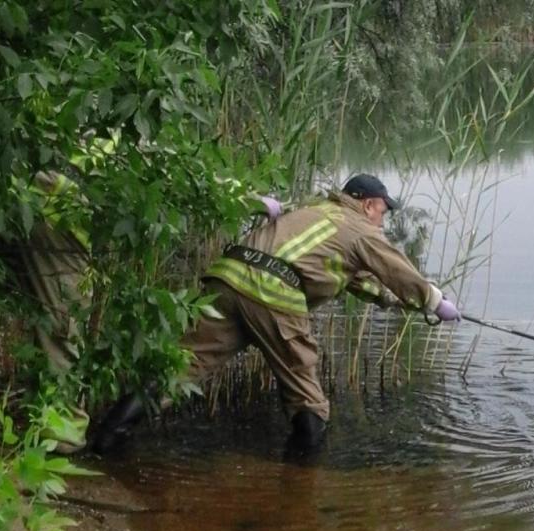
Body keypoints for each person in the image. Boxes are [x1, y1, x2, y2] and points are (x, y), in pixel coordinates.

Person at [90, 174, 461, 454]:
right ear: (366, 204)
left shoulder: (315, 213)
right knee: (308, 398)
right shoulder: (359, 227)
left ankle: (107, 438)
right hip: (272, 292)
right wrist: (431, 300)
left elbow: (354, 278)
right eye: (383, 209)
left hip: (229, 279)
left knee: (182, 366)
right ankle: (300, 485)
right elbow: (397, 270)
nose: (384, 218)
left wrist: (396, 301)